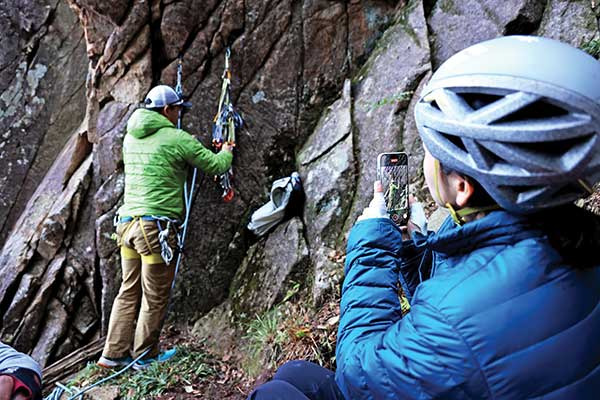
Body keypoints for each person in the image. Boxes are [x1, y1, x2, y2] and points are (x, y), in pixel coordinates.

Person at [247, 35, 600, 399]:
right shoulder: (571, 238)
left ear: (461, 187)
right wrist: (416, 253)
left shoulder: (454, 322)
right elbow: (474, 306)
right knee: (296, 375)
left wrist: (370, 245)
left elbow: (357, 376)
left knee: (275, 394)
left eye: (434, 150)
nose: (428, 161)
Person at [98, 85, 233, 370]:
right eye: (178, 110)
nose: (179, 115)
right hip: (153, 230)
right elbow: (216, 165)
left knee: (128, 289)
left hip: (126, 226)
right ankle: (144, 355)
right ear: (166, 110)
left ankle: (112, 353)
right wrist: (228, 150)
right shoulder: (176, 138)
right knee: (155, 292)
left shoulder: (131, 137)